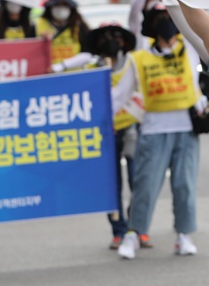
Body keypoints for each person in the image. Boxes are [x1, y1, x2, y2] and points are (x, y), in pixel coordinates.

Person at [109, 0, 208, 259]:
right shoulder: (138, 57)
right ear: (151, 25)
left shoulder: (189, 49)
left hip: (186, 129)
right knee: (146, 186)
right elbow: (119, 96)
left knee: (184, 185)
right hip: (153, 130)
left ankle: (184, 235)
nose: (166, 22)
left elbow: (196, 19)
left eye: (170, 17)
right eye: (159, 17)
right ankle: (133, 234)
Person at [52, 22, 143, 248]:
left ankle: (136, 226)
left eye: (115, 37)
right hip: (104, 133)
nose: (110, 41)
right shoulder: (91, 66)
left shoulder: (133, 62)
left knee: (137, 180)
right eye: (104, 38)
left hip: (131, 127)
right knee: (111, 184)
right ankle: (118, 230)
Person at [37, 0, 89, 65]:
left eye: (65, 5)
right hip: (48, 74)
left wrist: (62, 66)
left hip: (74, 74)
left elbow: (87, 54)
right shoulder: (37, 25)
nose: (61, 8)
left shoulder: (79, 26)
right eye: (57, 5)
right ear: (50, 7)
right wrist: (40, 41)